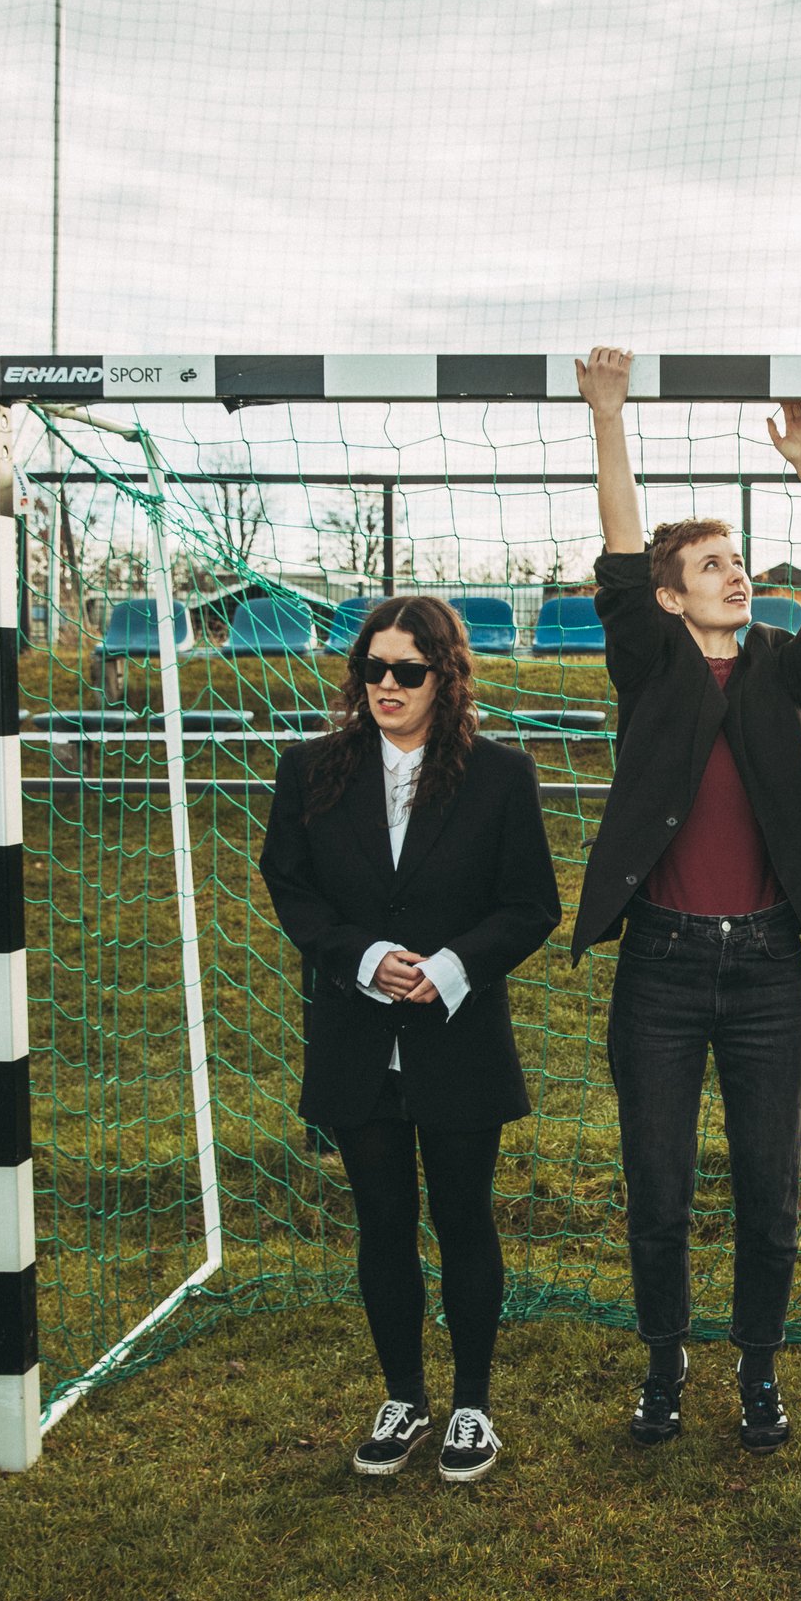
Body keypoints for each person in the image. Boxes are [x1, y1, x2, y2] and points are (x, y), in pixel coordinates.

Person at [568, 344, 801, 1453]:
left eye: (738, 560)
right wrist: (609, 416)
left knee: (768, 1188)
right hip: (659, 965)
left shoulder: (781, 669)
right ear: (671, 596)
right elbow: (620, 559)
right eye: (710, 565)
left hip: (764, 970)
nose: (734, 574)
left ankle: (758, 1368)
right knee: (657, 1184)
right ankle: (664, 1366)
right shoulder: (649, 665)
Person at [258, 595, 561, 1483]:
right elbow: (291, 885)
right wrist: (364, 956)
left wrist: (454, 966)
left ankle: (471, 1404)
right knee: (382, 1221)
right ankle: (404, 1396)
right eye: (373, 668)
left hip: (457, 1038)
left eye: (408, 670)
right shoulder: (310, 768)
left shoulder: (500, 775)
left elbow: (531, 904)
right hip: (356, 1035)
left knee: (463, 1215)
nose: (386, 684)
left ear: (445, 678)